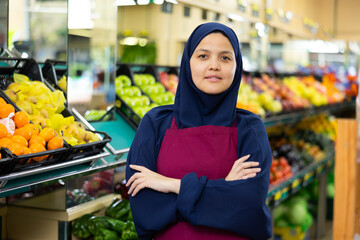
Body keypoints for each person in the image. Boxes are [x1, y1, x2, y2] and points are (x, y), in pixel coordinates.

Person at [125, 22, 272, 240]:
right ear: (187, 63)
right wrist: (224, 188)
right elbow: (145, 209)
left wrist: (172, 185)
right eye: (203, 56)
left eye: (225, 57)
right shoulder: (155, 123)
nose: (214, 65)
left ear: (237, 65)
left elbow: (248, 206)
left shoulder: (250, 129)